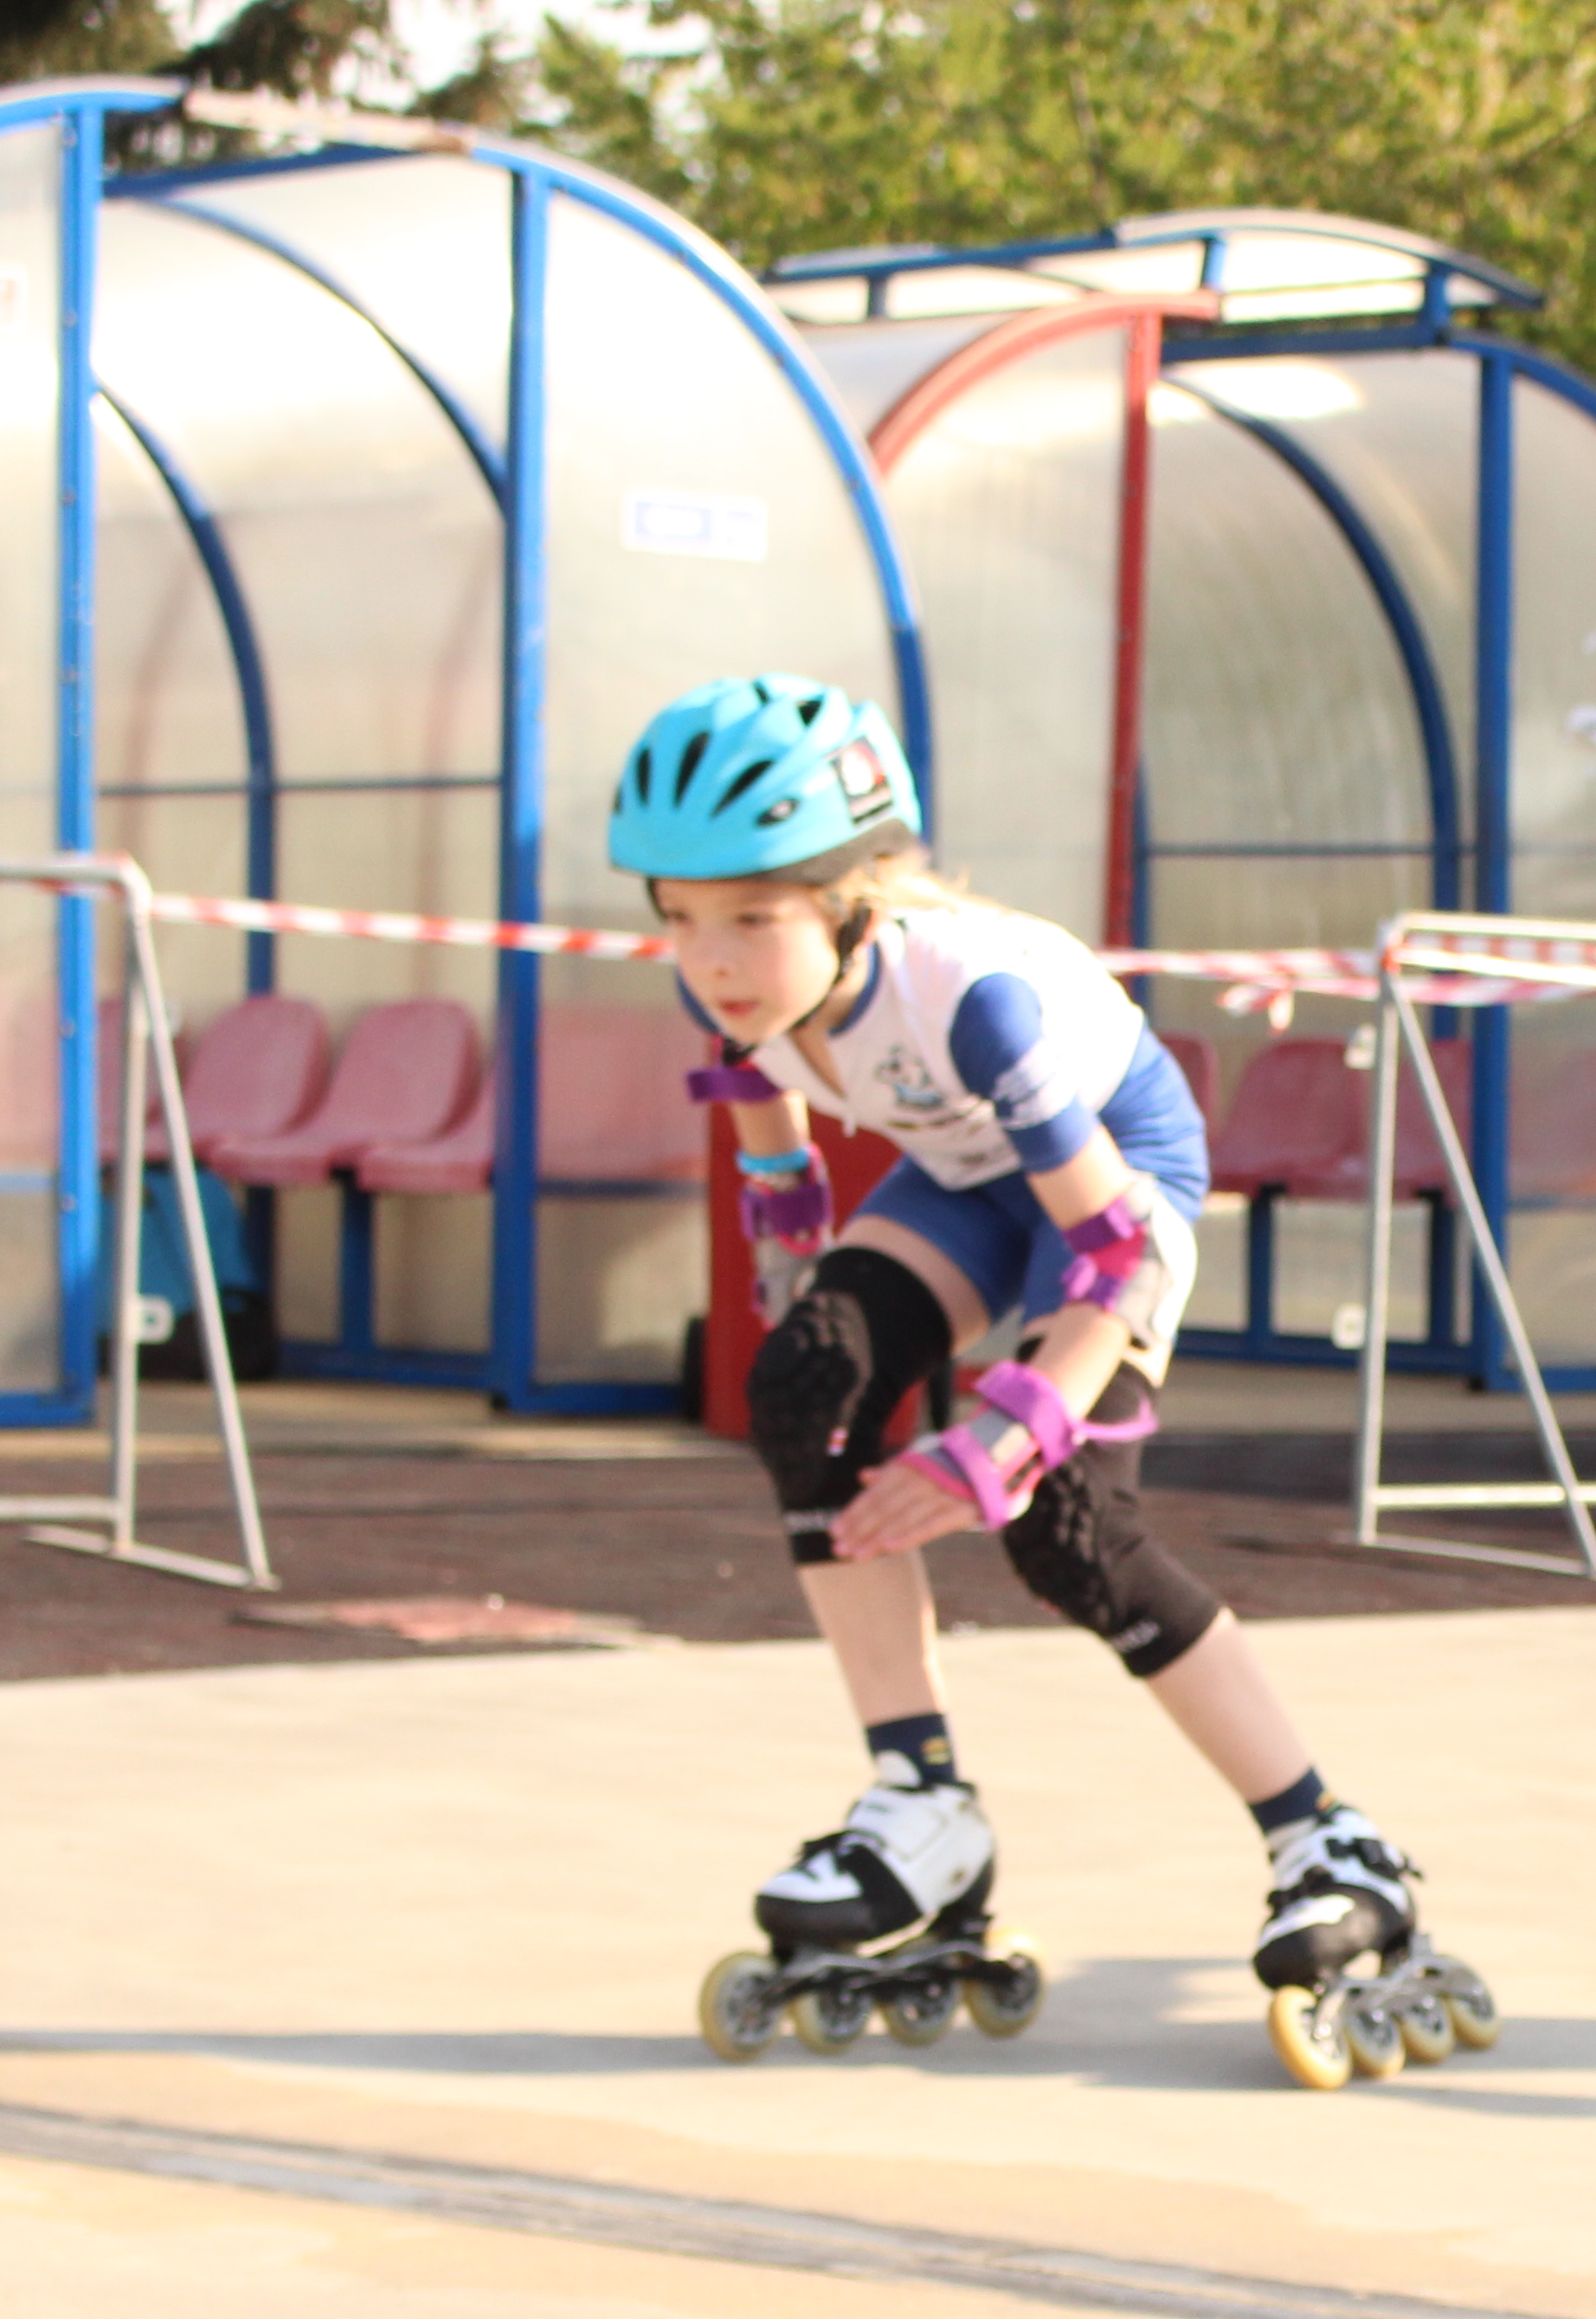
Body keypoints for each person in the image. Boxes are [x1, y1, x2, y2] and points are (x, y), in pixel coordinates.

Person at [617, 672, 1478, 2088]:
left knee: (1066, 1529)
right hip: (963, 1180)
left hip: (1116, 1186)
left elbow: (1115, 1258)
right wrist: (807, 1345)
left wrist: (998, 1442)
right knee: (802, 1388)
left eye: (752, 917)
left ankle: (1328, 1836)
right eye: (679, 916)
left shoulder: (977, 1001)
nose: (712, 957)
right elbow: (776, 1162)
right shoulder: (746, 994)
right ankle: (920, 1803)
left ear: (854, 894)